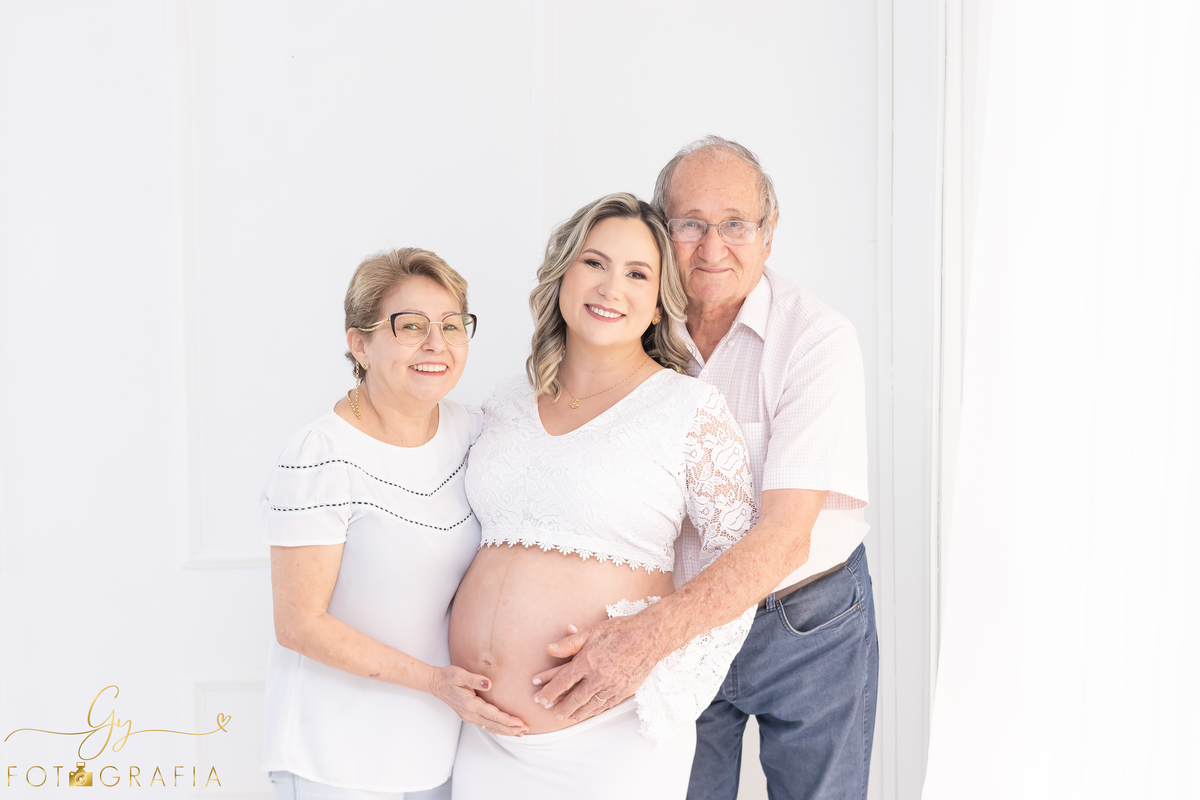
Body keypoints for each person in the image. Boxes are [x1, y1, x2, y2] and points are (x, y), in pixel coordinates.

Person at [531, 137, 877, 800]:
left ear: (769, 233)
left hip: (803, 620)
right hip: (673, 620)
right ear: (661, 231)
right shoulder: (630, 327)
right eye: (689, 224)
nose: (712, 248)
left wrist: (645, 638)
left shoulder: (817, 339)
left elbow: (784, 536)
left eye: (735, 225)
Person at [447, 193, 759, 800]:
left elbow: (738, 566)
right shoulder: (507, 399)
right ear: (564, 272)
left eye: (637, 273)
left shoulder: (688, 408)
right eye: (595, 263)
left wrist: (652, 667)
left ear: (660, 297)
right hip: (483, 738)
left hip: (610, 739)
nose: (611, 287)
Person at [261, 248, 526, 800]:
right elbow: (299, 624)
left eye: (452, 325)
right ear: (359, 343)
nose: (437, 344)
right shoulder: (320, 453)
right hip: (337, 750)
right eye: (411, 327)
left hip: (439, 741)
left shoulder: (475, 430)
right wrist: (431, 681)